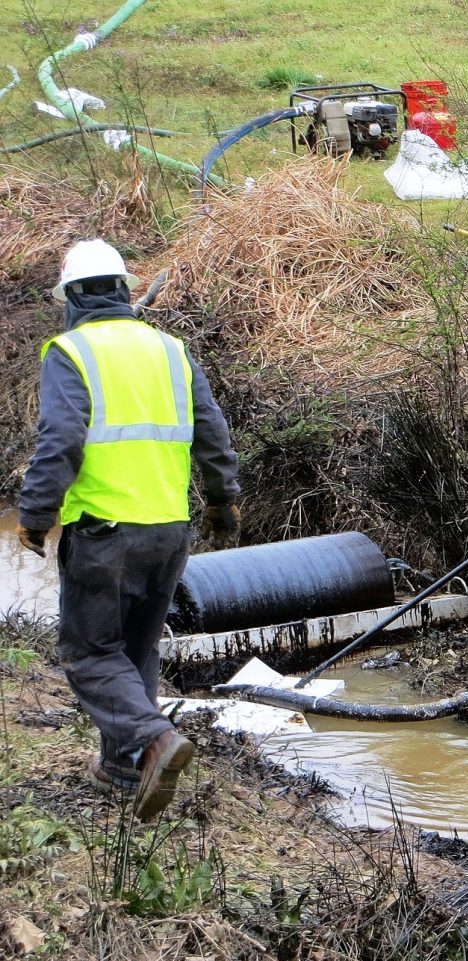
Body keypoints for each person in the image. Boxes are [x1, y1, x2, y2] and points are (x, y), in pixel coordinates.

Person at [17, 239, 242, 819]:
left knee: (90, 653)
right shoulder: (170, 349)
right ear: (123, 290)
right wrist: (223, 503)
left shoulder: (69, 351)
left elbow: (61, 439)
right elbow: (212, 433)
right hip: (170, 527)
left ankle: (155, 738)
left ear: (69, 297)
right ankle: (122, 768)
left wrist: (37, 514)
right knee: (135, 651)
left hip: (104, 530)